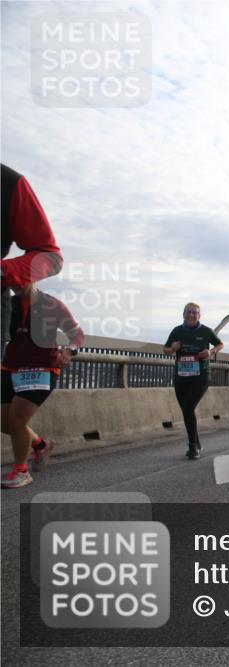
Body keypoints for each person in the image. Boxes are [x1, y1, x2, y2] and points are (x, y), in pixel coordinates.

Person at [1, 283, 82, 488]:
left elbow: (77, 334)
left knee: (17, 419)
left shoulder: (52, 305)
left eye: (20, 281)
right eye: (13, 282)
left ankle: (21, 471)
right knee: (4, 422)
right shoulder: (9, 304)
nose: (16, 286)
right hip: (11, 366)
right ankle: (41, 445)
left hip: (42, 368)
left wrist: (69, 351)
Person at [2, 165, 64, 352]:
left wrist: (5, 271)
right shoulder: (15, 305)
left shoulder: (8, 183)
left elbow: (49, 255)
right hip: (15, 366)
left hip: (42, 369)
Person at [163, 303, 224, 459]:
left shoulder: (206, 331)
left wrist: (210, 351)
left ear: (199, 315)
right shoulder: (177, 331)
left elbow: (220, 344)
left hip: (200, 376)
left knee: (188, 407)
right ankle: (196, 442)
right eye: (188, 312)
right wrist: (173, 348)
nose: (191, 315)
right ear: (183, 314)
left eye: (195, 313)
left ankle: (192, 447)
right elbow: (165, 349)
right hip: (181, 376)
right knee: (186, 410)